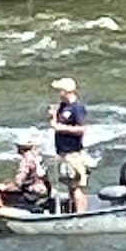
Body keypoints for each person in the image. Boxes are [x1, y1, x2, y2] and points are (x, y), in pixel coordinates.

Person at [49, 77, 90, 213]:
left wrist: (61, 128)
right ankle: (74, 212)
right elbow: (56, 124)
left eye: (59, 91)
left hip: (73, 153)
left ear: (66, 92)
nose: (58, 94)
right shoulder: (63, 107)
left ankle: (81, 214)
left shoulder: (77, 108)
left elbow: (81, 129)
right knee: (69, 185)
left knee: (77, 186)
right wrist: (53, 116)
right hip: (63, 152)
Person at [0, 137, 50, 211]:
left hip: (32, 194)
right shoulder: (38, 158)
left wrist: (4, 187)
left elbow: (19, 182)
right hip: (44, 192)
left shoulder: (25, 160)